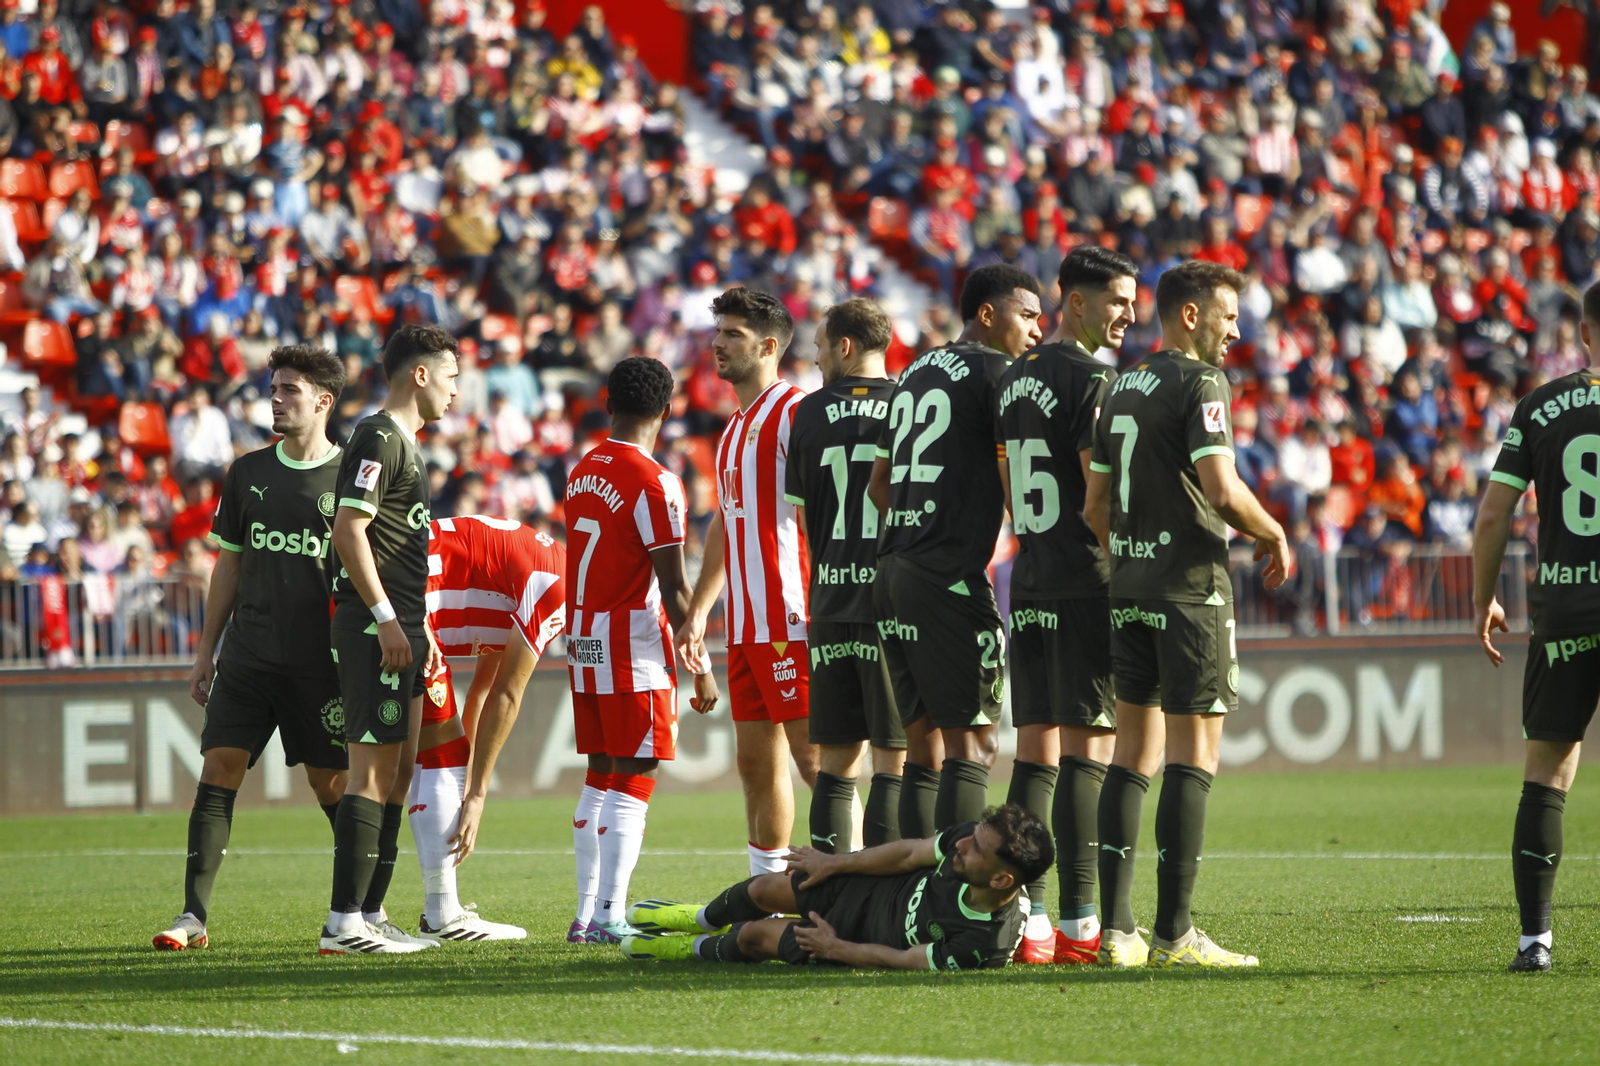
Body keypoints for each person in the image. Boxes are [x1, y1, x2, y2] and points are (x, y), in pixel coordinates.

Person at [1084, 260, 1288, 968]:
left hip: (1130, 587)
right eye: (1228, 316)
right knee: (1194, 755)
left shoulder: (1118, 388)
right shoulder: (1201, 382)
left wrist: (1134, 559)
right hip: (1189, 591)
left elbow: (1095, 507)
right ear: (1191, 315)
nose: (1237, 330)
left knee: (1130, 755)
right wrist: (1274, 532)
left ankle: (1117, 932)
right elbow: (1223, 491)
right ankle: (1174, 936)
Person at [152, 345, 349, 952]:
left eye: (289, 388)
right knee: (219, 770)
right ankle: (192, 916)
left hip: (320, 665)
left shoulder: (350, 479)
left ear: (323, 401)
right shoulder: (247, 473)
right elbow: (228, 567)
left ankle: (358, 909)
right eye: (273, 387)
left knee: (332, 787)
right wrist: (206, 650)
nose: (276, 397)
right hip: (248, 657)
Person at [866, 264, 1044, 843]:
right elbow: (1012, 476)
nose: (1038, 330)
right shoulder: (999, 373)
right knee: (973, 744)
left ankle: (912, 893)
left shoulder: (914, 371)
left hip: (893, 568)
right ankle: (952, 898)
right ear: (988, 315)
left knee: (922, 747)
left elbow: (879, 486)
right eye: (1028, 315)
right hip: (947, 577)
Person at [995, 246, 1137, 965]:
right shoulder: (1094, 382)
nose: (1129, 314)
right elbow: (1097, 494)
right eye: (1117, 299)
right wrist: (1127, 566)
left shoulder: (1014, 379)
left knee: (1034, 751)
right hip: (1084, 579)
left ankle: (1031, 918)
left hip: (1031, 580)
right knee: (1089, 751)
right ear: (1074, 302)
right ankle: (1083, 923)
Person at [565, 357, 719, 941]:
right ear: (667, 409)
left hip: (584, 640)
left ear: (609, 403)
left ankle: (585, 914)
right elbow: (676, 586)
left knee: (599, 773)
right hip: (631, 641)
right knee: (635, 774)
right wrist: (700, 665)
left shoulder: (583, 468)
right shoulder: (655, 481)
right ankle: (608, 918)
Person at [1473, 278, 1600, 973]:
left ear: (1584, 331)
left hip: (1566, 609)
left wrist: (1482, 598)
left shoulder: (1543, 405)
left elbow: (1494, 514)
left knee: (1546, 773)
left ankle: (1535, 940)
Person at [321, 323, 459, 955]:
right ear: (421, 374)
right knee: (371, 773)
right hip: (377, 627)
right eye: (452, 377)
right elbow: (349, 529)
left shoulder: (405, 441)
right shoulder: (378, 435)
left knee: (400, 772)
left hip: (402, 626)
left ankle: (372, 911)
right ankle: (343, 923)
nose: (457, 392)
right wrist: (383, 617)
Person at [678, 288, 819, 878]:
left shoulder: (796, 413)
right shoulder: (735, 428)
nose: (717, 343)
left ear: (768, 346)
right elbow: (723, 524)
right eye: (719, 333)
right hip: (746, 625)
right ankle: (769, 893)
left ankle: (860, 892)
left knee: (819, 763)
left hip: (794, 617)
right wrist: (698, 611)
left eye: (733, 334)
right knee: (757, 766)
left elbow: (820, 514)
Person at [618, 804, 1051, 970]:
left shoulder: (984, 944)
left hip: (854, 939)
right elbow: (906, 855)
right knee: (764, 890)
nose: (959, 844)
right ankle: (697, 919)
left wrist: (834, 948)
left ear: (1001, 880)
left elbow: (905, 959)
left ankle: (687, 950)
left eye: (975, 848)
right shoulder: (965, 849)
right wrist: (835, 863)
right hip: (868, 889)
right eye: (969, 836)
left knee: (752, 937)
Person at [408, 513, 567, 943]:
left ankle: (370, 909)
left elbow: (480, 694)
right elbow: (507, 696)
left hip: (384, 590)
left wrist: (467, 782)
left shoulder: (533, 573)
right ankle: (441, 913)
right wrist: (476, 795)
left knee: (413, 761)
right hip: (405, 603)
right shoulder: (558, 589)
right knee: (431, 758)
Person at [783, 299, 905, 857]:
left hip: (830, 602)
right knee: (893, 758)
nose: (813, 357)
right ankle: (883, 892)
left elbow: (806, 518)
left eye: (819, 345)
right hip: (892, 603)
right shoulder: (911, 406)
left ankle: (827, 894)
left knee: (834, 762)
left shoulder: (806, 414)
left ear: (846, 347)